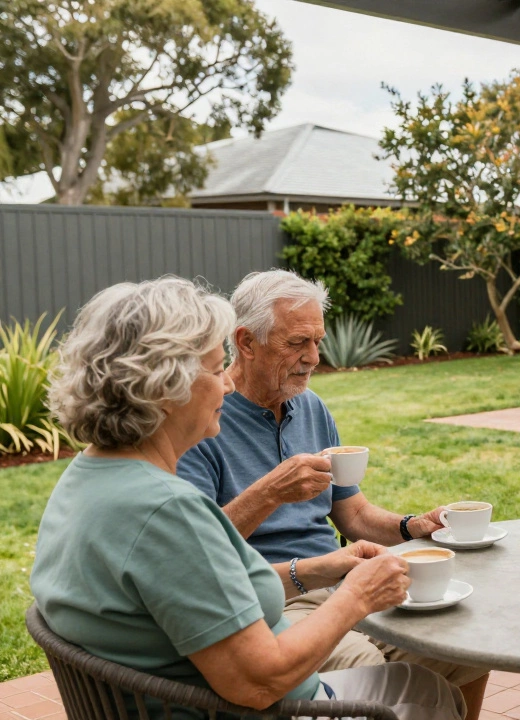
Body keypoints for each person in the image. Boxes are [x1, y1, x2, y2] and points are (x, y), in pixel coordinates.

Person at [31, 278, 465, 720]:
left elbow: (196, 588)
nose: (228, 386)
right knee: (422, 696)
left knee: (439, 671)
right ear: (166, 386)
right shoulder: (165, 510)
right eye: (218, 369)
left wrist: (326, 568)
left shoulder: (90, 476)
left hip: (199, 693)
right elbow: (258, 683)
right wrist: (355, 595)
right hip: (253, 708)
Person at [175, 270, 489, 719]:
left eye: (317, 341)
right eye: (297, 343)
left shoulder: (311, 406)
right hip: (275, 597)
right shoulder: (205, 422)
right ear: (246, 342)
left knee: (464, 641)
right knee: (370, 669)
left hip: (343, 582)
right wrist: (269, 493)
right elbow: (202, 549)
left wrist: (411, 525)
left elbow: (353, 513)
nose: (313, 357)